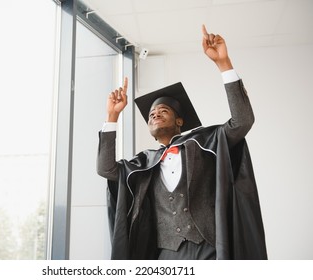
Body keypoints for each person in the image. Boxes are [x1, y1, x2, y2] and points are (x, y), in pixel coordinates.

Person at [97, 25, 267, 260]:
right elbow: (105, 169)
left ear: (179, 120)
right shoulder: (144, 163)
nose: (155, 114)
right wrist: (112, 117)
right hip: (166, 256)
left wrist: (223, 64)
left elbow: (243, 121)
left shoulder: (207, 142)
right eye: (151, 114)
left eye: (163, 110)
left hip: (210, 249)